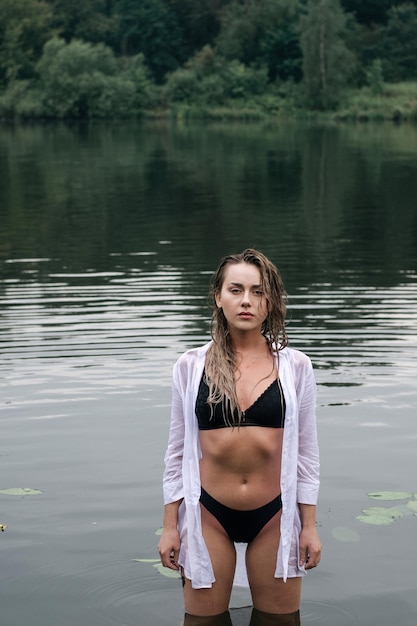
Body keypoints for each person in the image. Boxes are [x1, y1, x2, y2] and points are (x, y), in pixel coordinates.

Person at [158, 249, 321, 626]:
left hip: (276, 515)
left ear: (271, 301)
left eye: (258, 292)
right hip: (207, 516)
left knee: (280, 621)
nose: (246, 300)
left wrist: (309, 525)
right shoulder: (190, 366)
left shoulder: (295, 366)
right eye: (236, 289)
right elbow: (176, 451)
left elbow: (307, 455)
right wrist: (170, 526)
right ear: (219, 297)